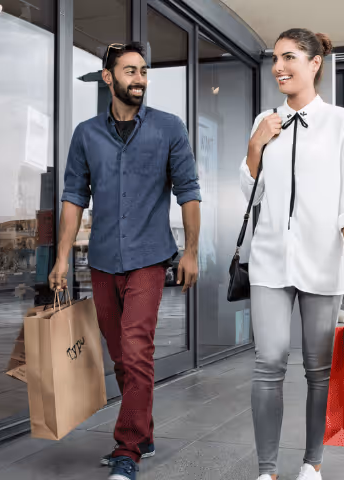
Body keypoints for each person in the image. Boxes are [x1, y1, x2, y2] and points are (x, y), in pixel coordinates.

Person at [48, 42, 202, 480]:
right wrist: (62, 259)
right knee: (120, 354)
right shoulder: (86, 134)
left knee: (136, 349)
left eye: (144, 71)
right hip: (101, 261)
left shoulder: (170, 128)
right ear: (108, 78)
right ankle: (145, 433)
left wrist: (189, 251)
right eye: (130, 71)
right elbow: (74, 198)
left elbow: (188, 191)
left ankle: (128, 449)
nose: (139, 79)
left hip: (149, 258)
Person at [241, 28, 344, 480]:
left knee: (318, 369)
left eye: (289, 57)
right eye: (275, 58)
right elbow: (249, 190)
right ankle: (267, 470)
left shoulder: (340, 122)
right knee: (268, 360)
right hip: (270, 259)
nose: (279, 67)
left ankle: (312, 462)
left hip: (323, 260)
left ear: (315, 64)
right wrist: (257, 142)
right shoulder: (266, 118)